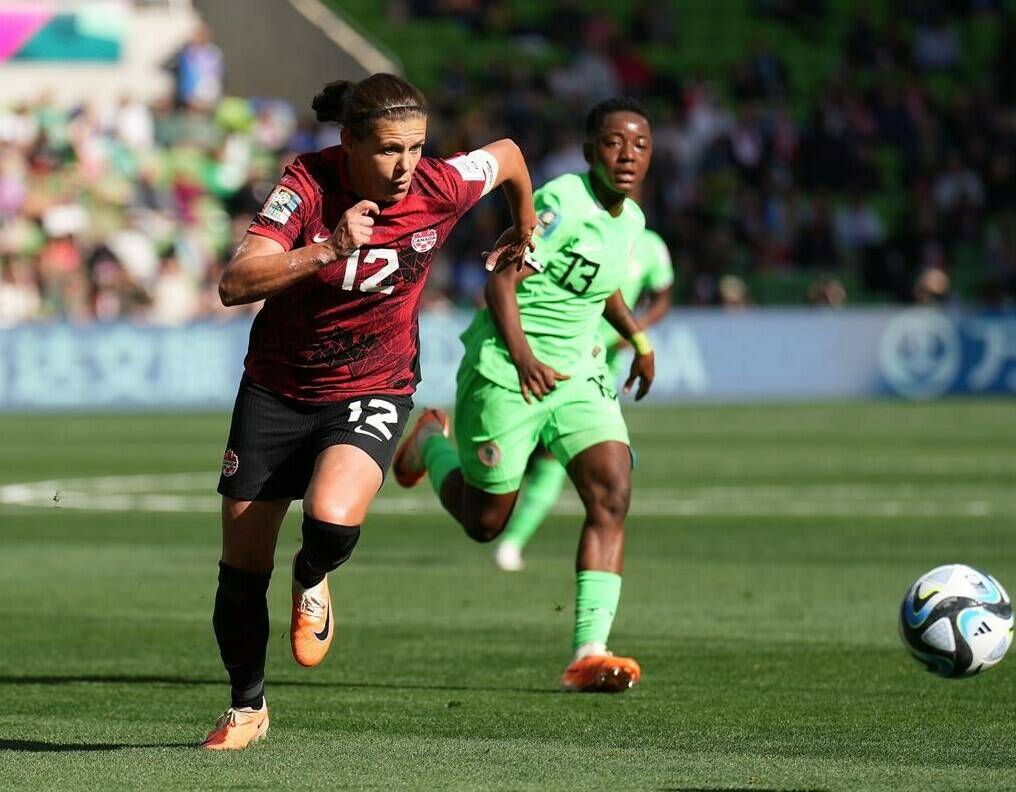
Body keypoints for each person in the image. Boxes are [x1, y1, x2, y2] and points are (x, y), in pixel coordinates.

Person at [202, 73, 535, 750]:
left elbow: (507, 157)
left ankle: (314, 572)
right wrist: (328, 248)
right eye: (388, 150)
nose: (406, 165)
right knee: (241, 568)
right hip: (276, 389)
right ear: (349, 142)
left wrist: (523, 227)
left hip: (373, 384)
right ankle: (248, 707)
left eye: (415, 147)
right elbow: (234, 283)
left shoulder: (440, 184)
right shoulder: (306, 187)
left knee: (328, 516)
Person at [392, 97, 656, 693]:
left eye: (639, 145)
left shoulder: (631, 221)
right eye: (614, 142)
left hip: (578, 375)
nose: (627, 155)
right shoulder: (561, 202)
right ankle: (431, 442)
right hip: (508, 368)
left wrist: (637, 337)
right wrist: (524, 358)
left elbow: (600, 286)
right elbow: (500, 284)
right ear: (591, 151)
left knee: (612, 493)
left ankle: (589, 650)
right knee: (486, 522)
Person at [493, 211, 673, 572]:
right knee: (521, 468)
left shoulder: (652, 246)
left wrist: (635, 334)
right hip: (560, 348)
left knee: (553, 455)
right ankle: (509, 536)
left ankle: (512, 543)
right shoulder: (579, 226)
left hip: (604, 360)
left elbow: (663, 296)